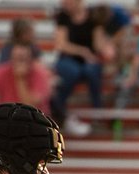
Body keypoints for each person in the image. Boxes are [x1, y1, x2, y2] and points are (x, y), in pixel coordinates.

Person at [51, 0, 115, 137]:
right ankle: (58, 109)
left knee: (92, 70)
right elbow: (62, 44)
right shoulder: (63, 17)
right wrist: (82, 51)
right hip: (68, 59)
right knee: (73, 72)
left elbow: (98, 44)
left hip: (87, 60)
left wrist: (108, 49)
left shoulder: (93, 16)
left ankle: (97, 112)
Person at [0, 42, 54, 115]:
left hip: (35, 120)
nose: (19, 63)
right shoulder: (1, 72)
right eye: (17, 58)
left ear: (30, 59)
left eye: (23, 59)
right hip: (9, 118)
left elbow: (31, 108)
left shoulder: (40, 74)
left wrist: (21, 80)